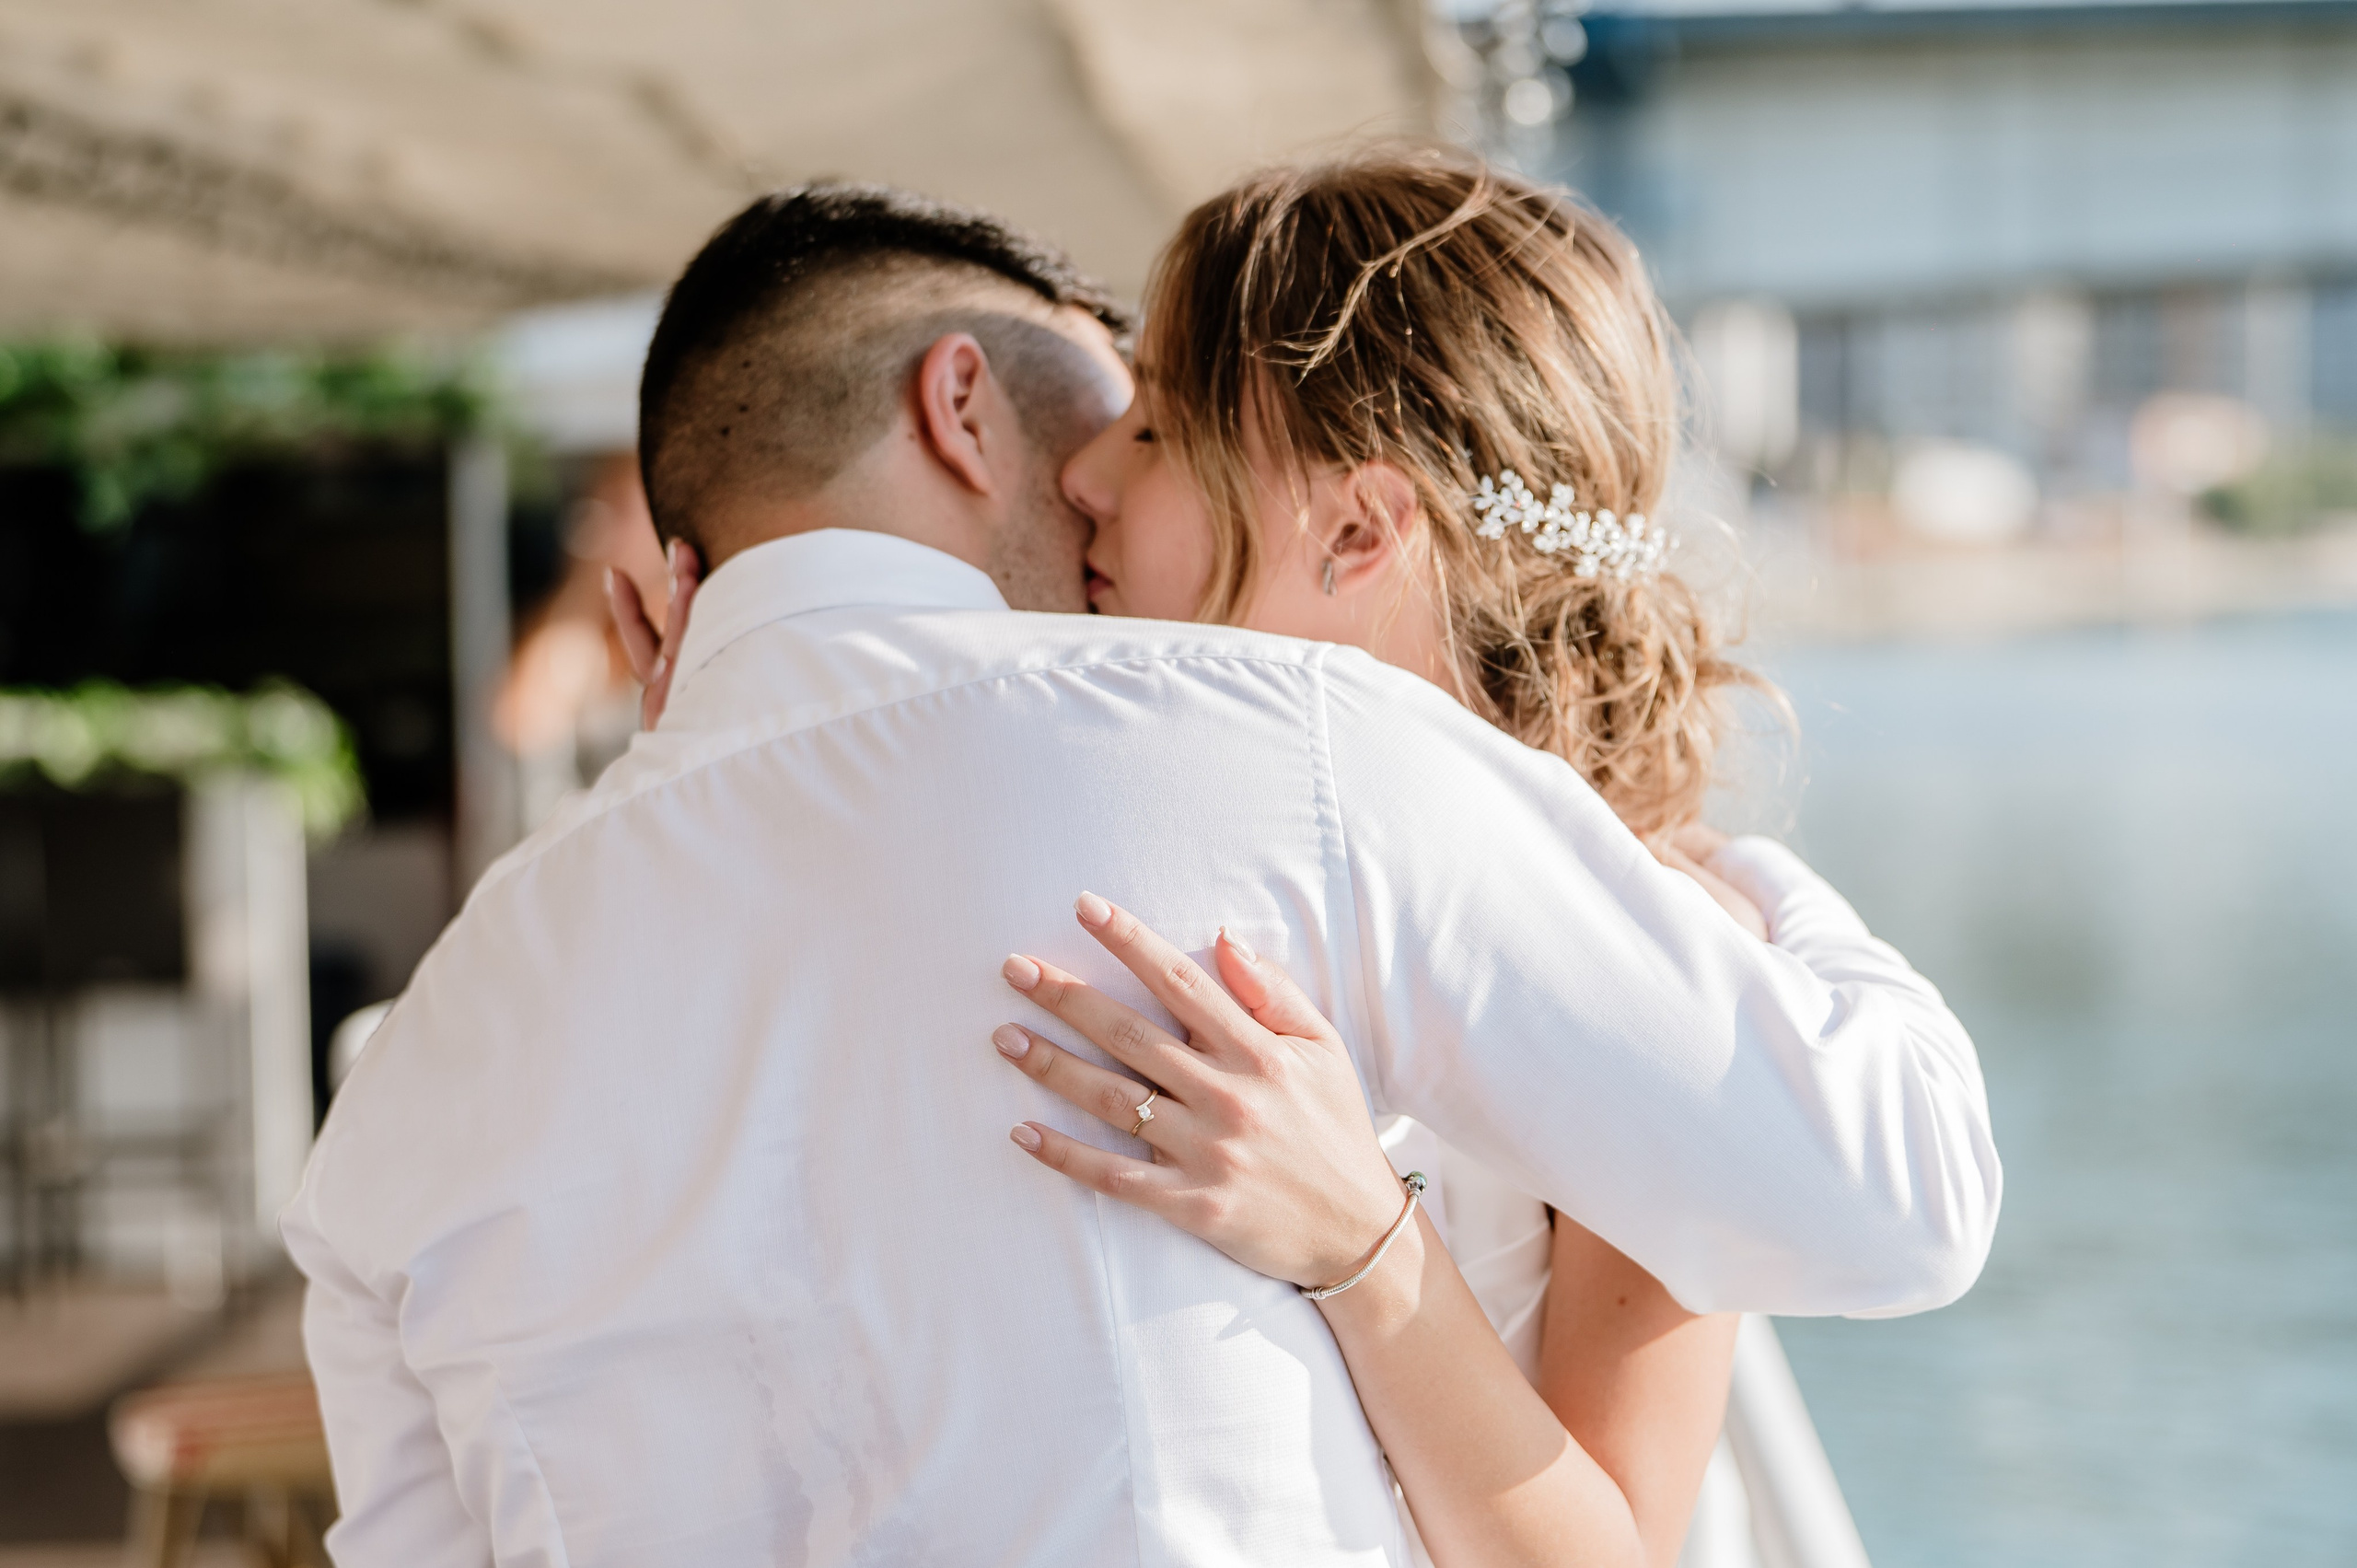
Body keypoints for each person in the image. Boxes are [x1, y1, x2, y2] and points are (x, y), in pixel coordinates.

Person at [288, 180, 1996, 1568]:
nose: (1099, 480)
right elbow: (1903, 1193)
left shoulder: (414, 1084)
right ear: (960, 405)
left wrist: (691, 774)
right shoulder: (1283, 761)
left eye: (1162, 432)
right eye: (1117, 415)